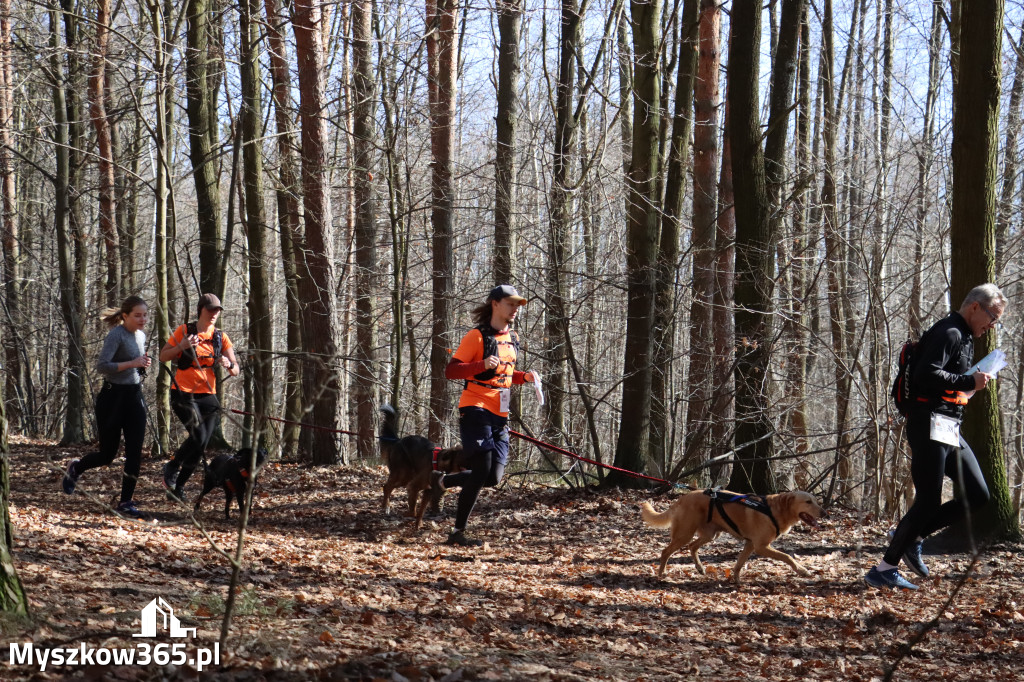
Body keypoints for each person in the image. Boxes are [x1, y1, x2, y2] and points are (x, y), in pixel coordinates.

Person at [864, 283, 1004, 590]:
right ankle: (884, 569)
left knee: (978, 493)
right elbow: (925, 374)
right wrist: (969, 379)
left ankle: (913, 535)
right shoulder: (950, 332)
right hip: (929, 422)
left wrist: (969, 386)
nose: (992, 325)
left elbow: (945, 380)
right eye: (992, 316)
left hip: (948, 424)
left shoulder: (964, 335)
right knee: (927, 500)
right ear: (975, 307)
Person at [431, 284, 536, 546]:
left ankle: (443, 481)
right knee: (482, 467)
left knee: (492, 477)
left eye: (517, 305)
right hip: (475, 407)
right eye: (510, 304)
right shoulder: (476, 337)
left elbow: (506, 375)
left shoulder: (513, 339)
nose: (515, 309)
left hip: (500, 412)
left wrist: (526, 377)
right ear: (495, 304)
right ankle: (457, 533)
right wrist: (480, 364)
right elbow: (452, 371)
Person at [61, 295, 153, 519]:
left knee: (134, 452)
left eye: (145, 315)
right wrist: (132, 363)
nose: (142, 319)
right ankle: (76, 468)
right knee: (107, 454)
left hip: (134, 396)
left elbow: (135, 363)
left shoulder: (141, 336)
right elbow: (103, 366)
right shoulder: (116, 335)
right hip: (112, 398)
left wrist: (142, 366)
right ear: (125, 316)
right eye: (137, 315)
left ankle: (125, 502)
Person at [158, 293, 240, 501]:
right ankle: (173, 466)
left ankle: (178, 487)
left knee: (201, 443)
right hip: (183, 391)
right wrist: (182, 347)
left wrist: (228, 364)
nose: (214, 314)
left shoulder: (221, 337)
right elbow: (163, 356)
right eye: (210, 310)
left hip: (208, 394)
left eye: (217, 311)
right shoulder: (185, 330)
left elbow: (236, 369)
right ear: (201, 310)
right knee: (199, 436)